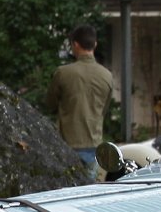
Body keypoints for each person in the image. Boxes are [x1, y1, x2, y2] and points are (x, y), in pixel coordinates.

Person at [45, 24, 114, 178]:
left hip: (68, 142)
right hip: (94, 142)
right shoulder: (107, 75)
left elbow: (50, 103)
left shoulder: (63, 73)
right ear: (95, 44)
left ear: (75, 44)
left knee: (67, 186)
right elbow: (104, 109)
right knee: (88, 188)